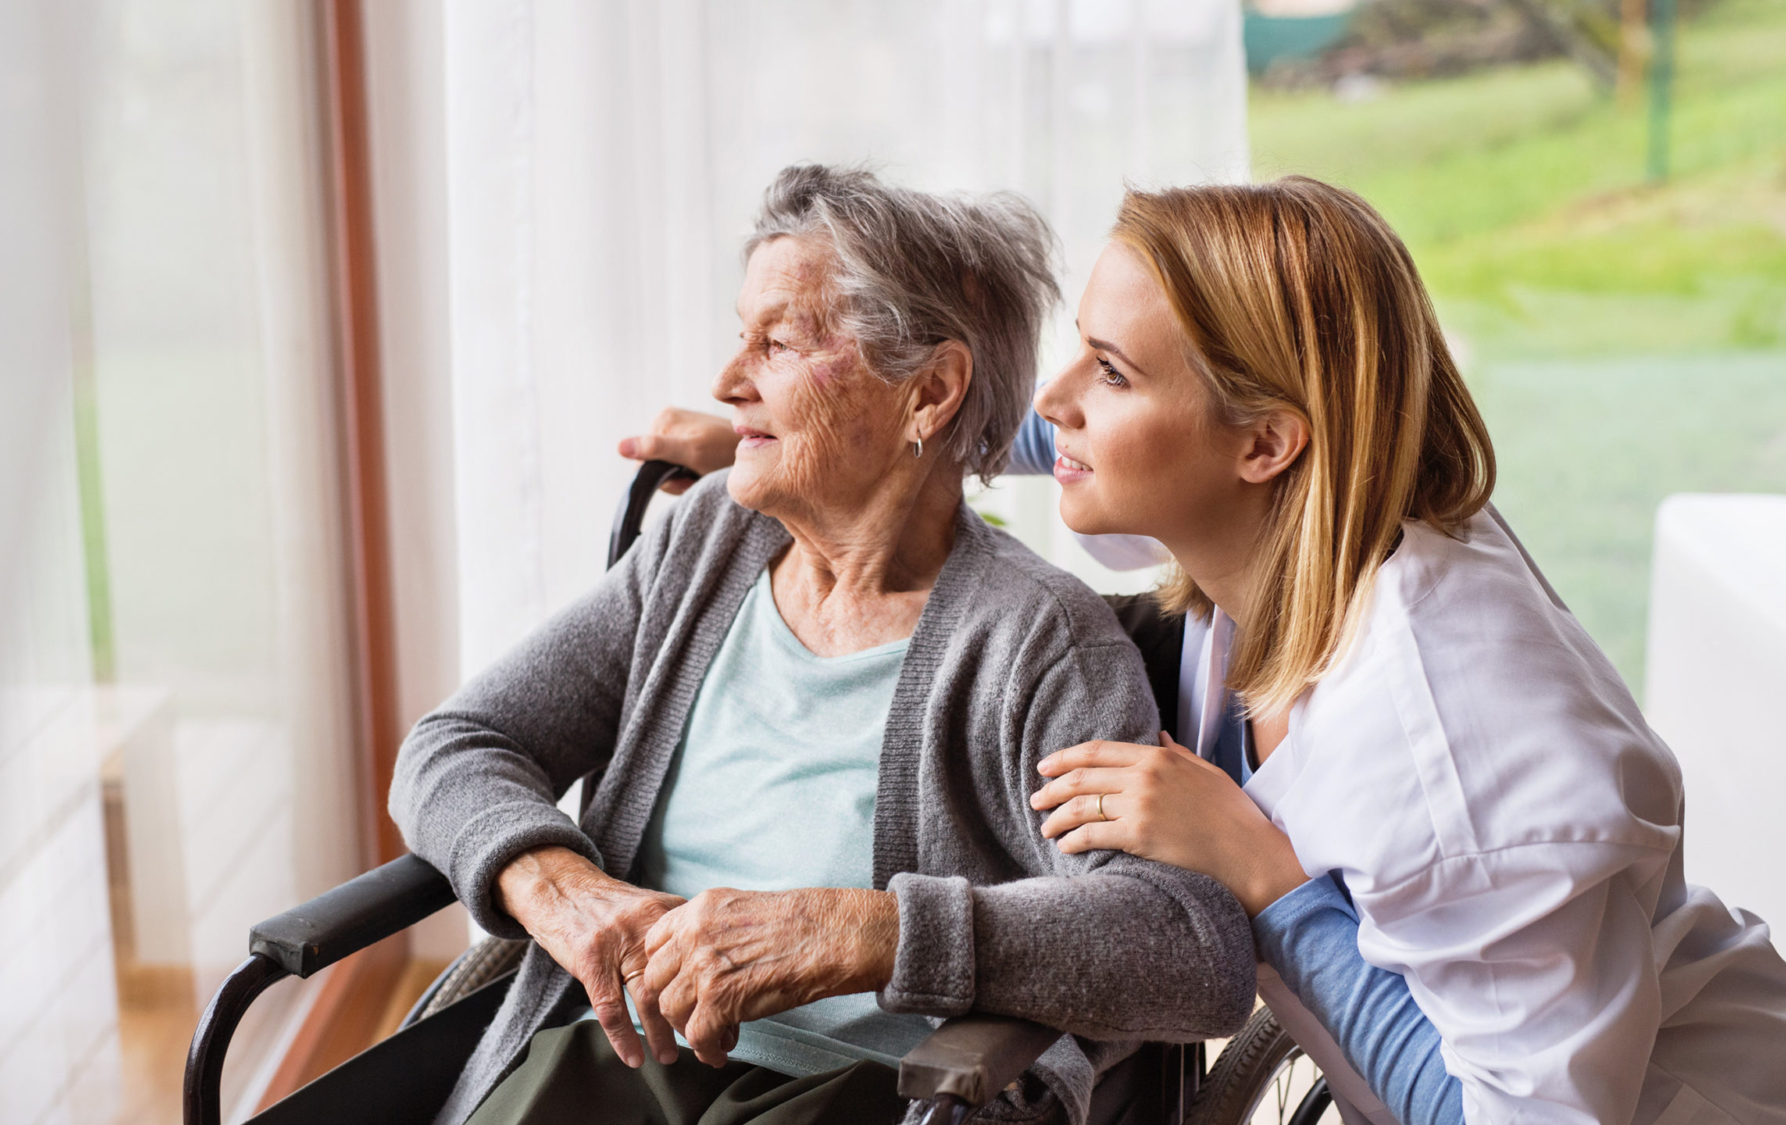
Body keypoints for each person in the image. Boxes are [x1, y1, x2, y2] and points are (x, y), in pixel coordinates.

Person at [623, 179, 1786, 1125]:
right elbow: (1078, 435)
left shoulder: (1458, 729)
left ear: (1265, 442)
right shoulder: (1296, 519)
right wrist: (832, 440)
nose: (1055, 401)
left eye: (1107, 370)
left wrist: (1258, 876)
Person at [392, 165, 1257, 1125]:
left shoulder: (1033, 640)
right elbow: (456, 743)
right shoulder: (706, 542)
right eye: (740, 336)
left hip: (868, 1096)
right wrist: (565, 892)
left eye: (780, 342)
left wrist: (864, 930)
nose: (728, 383)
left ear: (929, 392)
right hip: (611, 1071)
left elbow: (1190, 945)